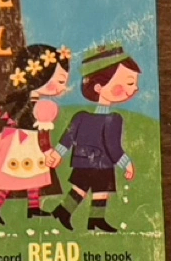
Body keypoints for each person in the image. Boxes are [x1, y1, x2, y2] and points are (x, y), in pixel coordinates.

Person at [0, 44, 71, 225]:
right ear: (41, 76)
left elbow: (2, 105)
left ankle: (33, 208)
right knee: (13, 176)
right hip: (22, 142)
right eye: (60, 81)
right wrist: (47, 150)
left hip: (26, 140)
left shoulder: (34, 100)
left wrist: (7, 117)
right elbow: (42, 132)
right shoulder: (39, 104)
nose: (63, 88)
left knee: (34, 175)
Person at [49, 43, 141, 233]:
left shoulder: (82, 116)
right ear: (99, 87)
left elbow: (68, 138)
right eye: (128, 83)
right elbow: (113, 147)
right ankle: (69, 213)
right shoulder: (112, 119)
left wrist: (58, 154)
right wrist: (126, 163)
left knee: (92, 191)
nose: (134, 89)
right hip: (101, 162)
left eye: (134, 84)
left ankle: (87, 218)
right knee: (90, 190)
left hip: (86, 161)